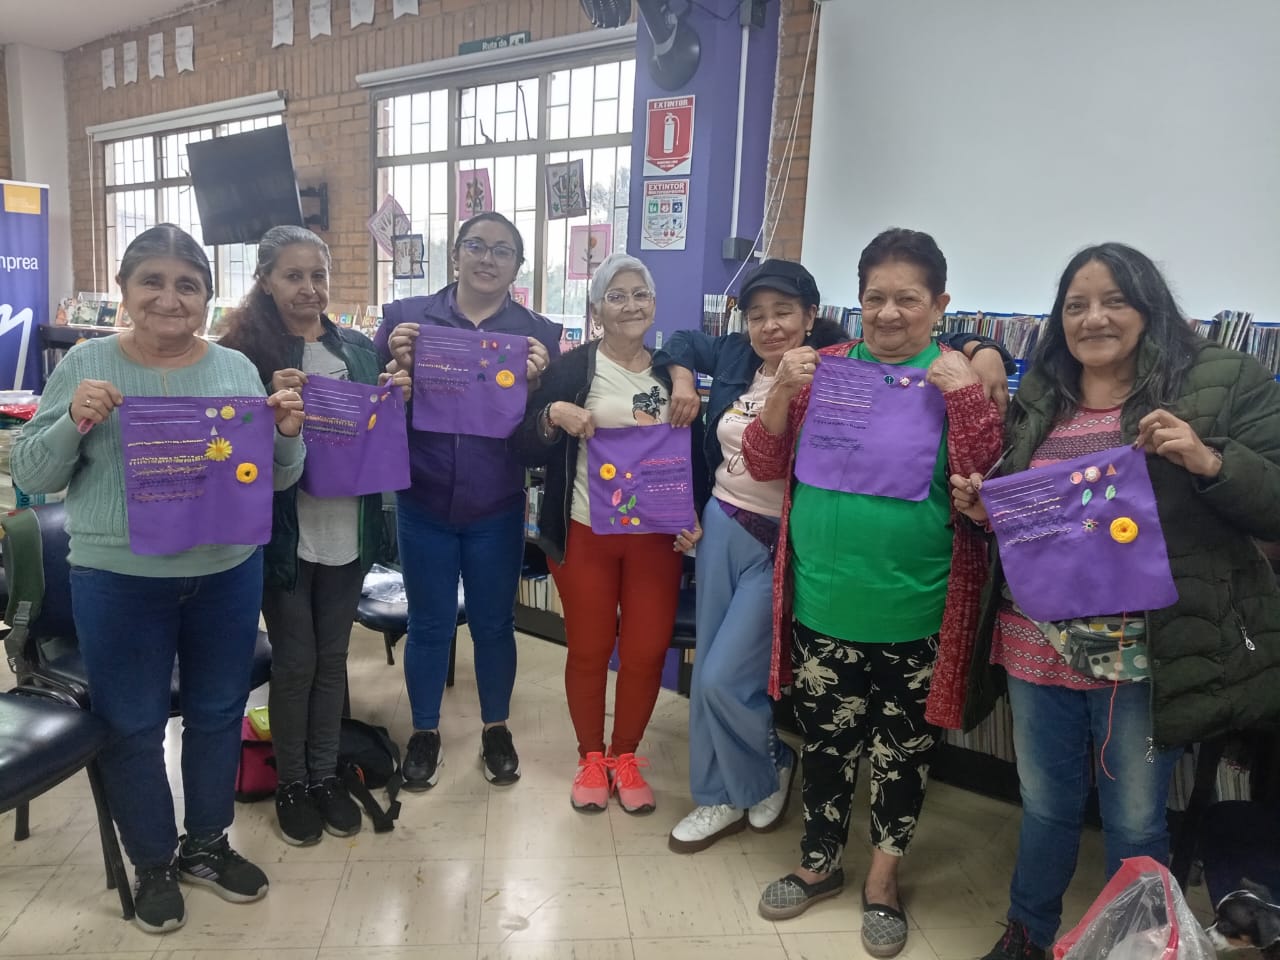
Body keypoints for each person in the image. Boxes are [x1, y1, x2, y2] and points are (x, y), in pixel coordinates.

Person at [950, 243, 1280, 960]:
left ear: (1148, 307)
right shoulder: (1041, 393)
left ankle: (1135, 946)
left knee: (1134, 819)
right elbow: (1035, 518)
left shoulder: (1219, 384)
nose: (1093, 318)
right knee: (1044, 806)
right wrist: (987, 510)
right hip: (1035, 643)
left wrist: (1209, 461)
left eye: (1113, 301)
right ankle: (1027, 934)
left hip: (1146, 651)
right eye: (1075, 305)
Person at [657, 258, 1015, 854]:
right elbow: (688, 359)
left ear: (814, 315)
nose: (770, 326)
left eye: (785, 313)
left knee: (731, 682)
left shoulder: (855, 362)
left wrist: (982, 352)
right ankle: (721, 794)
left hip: (827, 561)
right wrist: (689, 380)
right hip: (738, 533)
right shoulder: (764, 359)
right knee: (722, 679)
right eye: (757, 315)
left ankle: (775, 774)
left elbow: (918, 352)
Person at [10, 224, 306, 934]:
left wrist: (289, 435)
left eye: (187, 285)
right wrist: (72, 423)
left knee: (214, 714)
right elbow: (31, 474)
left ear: (206, 296)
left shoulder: (234, 369)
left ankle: (206, 844)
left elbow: (273, 481)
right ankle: (152, 861)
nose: (169, 299)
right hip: (120, 579)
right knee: (134, 726)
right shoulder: (84, 364)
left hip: (225, 573)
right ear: (125, 291)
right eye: (153, 282)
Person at [740, 229, 1002, 958]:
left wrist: (969, 398)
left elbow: (990, 482)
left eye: (908, 299)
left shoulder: (954, 378)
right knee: (825, 743)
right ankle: (819, 862)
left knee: (903, 753)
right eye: (875, 298)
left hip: (917, 609)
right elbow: (762, 462)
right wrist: (783, 392)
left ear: (939, 305)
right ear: (857, 303)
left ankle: (883, 880)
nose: (889, 314)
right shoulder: (819, 367)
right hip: (824, 602)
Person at [218, 225, 408, 846]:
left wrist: (395, 400)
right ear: (266, 280)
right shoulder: (241, 355)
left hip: (346, 525)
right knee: (295, 661)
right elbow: (228, 454)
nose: (308, 289)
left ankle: (325, 775)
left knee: (332, 659)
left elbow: (377, 437)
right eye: (293, 276)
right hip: (283, 531)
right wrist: (265, 408)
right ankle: (292, 781)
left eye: (318, 276)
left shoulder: (355, 350)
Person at [511, 252, 703, 816]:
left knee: (644, 653)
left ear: (653, 305)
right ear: (596, 309)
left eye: (639, 294)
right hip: (585, 532)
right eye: (616, 296)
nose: (630, 306)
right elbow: (521, 441)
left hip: (656, 539)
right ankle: (591, 756)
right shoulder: (574, 367)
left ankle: (626, 756)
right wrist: (553, 417)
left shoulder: (671, 373)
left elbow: (694, 453)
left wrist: (692, 514)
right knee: (591, 651)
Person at [377, 212, 562, 790]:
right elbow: (378, 416)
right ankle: (425, 732)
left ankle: (495, 728)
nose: (488, 258)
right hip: (423, 500)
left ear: (518, 266)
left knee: (493, 624)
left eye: (503, 250)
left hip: (497, 505)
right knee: (430, 624)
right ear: (455, 253)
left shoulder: (539, 336)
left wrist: (535, 390)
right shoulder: (405, 321)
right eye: (476, 245)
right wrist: (393, 377)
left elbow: (538, 438)